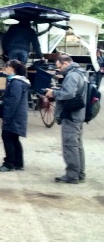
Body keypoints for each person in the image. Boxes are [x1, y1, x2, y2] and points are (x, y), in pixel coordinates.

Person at [45, 53, 87, 183]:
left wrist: (54, 93)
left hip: (71, 114)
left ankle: (72, 175)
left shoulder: (72, 75)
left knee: (70, 145)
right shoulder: (81, 73)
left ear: (66, 64)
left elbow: (69, 93)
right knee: (77, 145)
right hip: (78, 114)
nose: (59, 70)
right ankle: (79, 173)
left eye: (60, 67)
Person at [0, 59, 29, 172]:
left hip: (14, 116)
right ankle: (18, 163)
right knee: (14, 139)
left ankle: (9, 163)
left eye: (7, 66)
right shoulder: (19, 82)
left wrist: (7, 116)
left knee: (8, 138)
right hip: (18, 116)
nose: (5, 69)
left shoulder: (16, 83)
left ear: (12, 68)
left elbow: (13, 101)